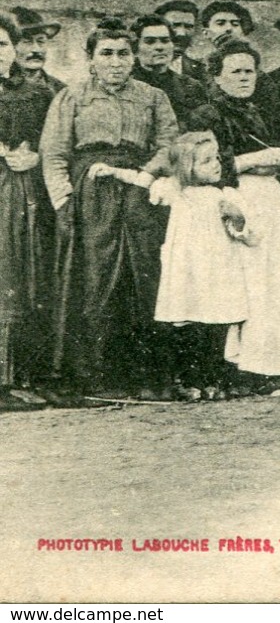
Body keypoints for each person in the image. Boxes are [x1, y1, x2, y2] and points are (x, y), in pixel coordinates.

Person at [39, 21, 178, 402]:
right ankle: (95, 375)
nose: (116, 62)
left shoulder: (153, 97)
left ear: (133, 58)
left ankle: (144, 374)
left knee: (142, 276)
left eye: (123, 53)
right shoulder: (71, 97)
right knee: (95, 279)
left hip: (139, 194)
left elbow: (168, 145)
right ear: (91, 59)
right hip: (91, 196)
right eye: (106, 53)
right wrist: (64, 201)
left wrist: (144, 175)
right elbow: (54, 154)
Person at [184, 40, 280, 390]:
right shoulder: (207, 115)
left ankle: (270, 365)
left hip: (270, 199)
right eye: (235, 71)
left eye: (250, 70)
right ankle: (240, 367)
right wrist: (255, 160)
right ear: (217, 78)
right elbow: (202, 165)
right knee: (244, 286)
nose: (245, 77)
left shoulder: (262, 110)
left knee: (274, 284)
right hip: (235, 198)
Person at [149, 130, 253, 399]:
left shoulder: (225, 195)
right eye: (206, 161)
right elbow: (150, 190)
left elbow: (247, 234)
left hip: (218, 270)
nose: (216, 164)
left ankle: (213, 379)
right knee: (188, 322)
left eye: (216, 158)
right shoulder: (177, 192)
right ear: (187, 166)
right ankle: (188, 380)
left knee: (216, 323)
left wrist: (237, 218)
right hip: (187, 271)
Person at [0, 12, 55, 410]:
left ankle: (19, 378)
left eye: (2, 45)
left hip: (25, 193)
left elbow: (52, 141)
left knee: (24, 273)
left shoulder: (36, 94)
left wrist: (36, 156)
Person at [130, 15, 208, 120]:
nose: (159, 47)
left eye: (165, 40)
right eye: (150, 42)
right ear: (136, 46)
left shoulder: (191, 86)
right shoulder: (125, 83)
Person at [10, 8, 65, 95]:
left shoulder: (61, 90)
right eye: (27, 41)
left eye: (41, 41)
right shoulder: (3, 87)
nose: (36, 49)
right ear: (11, 46)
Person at [154, 0, 204, 81]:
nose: (182, 33)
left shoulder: (200, 71)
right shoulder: (136, 67)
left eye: (188, 27)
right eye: (175, 25)